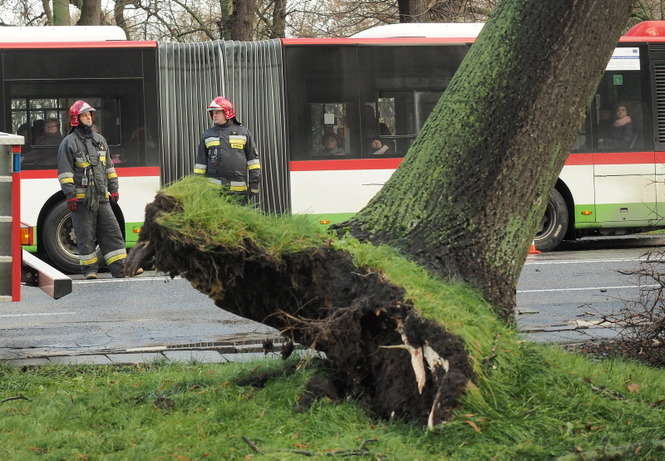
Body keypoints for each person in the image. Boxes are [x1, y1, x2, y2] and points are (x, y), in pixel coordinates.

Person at [57, 100, 126, 279]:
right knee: (85, 236)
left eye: (90, 115)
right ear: (76, 119)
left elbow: (109, 168)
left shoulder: (99, 140)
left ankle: (121, 268)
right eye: (85, 115)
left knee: (112, 232)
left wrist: (114, 188)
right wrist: (71, 196)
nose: (89, 118)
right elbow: (65, 173)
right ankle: (90, 271)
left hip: (102, 197)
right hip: (83, 200)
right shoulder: (68, 143)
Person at [194, 96, 261, 203]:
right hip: (213, 191)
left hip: (238, 192)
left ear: (227, 112)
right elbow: (200, 163)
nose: (214, 115)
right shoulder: (207, 134)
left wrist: (254, 183)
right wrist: (197, 185)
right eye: (212, 113)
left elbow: (253, 161)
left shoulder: (244, 133)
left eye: (217, 112)